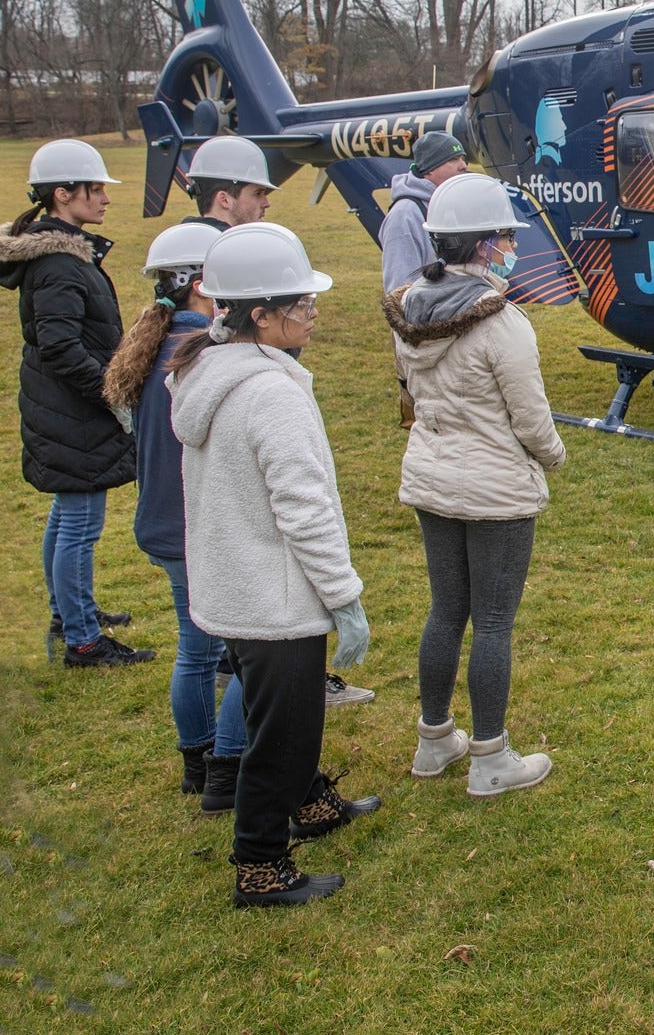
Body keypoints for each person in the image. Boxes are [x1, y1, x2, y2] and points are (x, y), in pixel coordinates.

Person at [167, 222, 380, 907]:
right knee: (281, 733)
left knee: (277, 715)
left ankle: (310, 803)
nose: (314, 315)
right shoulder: (272, 392)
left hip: (236, 586)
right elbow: (304, 508)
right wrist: (343, 595)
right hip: (275, 596)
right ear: (259, 315)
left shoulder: (210, 367)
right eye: (301, 305)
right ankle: (260, 865)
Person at [384, 173, 564, 799]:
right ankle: (490, 756)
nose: (512, 246)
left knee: (446, 609)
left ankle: (433, 740)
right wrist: (554, 456)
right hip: (493, 488)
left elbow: (411, 392)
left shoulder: (408, 309)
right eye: (507, 237)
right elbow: (532, 420)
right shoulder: (503, 324)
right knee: (492, 622)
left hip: (433, 475)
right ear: (486, 245)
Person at [0, 138, 153, 666]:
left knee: (67, 515)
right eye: (95, 189)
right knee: (80, 523)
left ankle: (70, 611)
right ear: (63, 194)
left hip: (65, 407)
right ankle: (82, 640)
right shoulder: (59, 262)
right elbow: (60, 347)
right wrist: (113, 393)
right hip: (73, 412)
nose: (105, 198)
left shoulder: (65, 250)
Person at [104, 224, 249, 802]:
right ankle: (228, 767)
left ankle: (197, 761)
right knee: (246, 653)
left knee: (196, 647)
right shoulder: (205, 358)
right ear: (204, 290)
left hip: (162, 525)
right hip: (203, 526)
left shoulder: (146, 350)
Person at [381, 130, 471, 430]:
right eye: (454, 159)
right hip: (424, 332)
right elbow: (400, 290)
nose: (464, 165)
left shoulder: (447, 205)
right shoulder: (406, 214)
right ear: (431, 168)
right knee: (427, 420)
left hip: (450, 325)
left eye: (463, 158)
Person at [184, 135, 276, 230]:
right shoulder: (239, 244)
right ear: (224, 200)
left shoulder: (182, 238)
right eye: (257, 194)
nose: (266, 203)